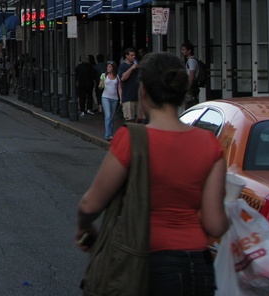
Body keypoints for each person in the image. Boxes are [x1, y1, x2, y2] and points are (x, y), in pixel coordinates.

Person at [76, 52, 228, 295]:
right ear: (181, 92)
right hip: (198, 266)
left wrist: (85, 228)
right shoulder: (210, 143)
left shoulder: (132, 139)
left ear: (143, 91)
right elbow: (215, 224)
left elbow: (90, 204)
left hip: (146, 263)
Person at [99, 61, 122, 141]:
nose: (108, 68)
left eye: (110, 67)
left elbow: (119, 88)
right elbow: (100, 85)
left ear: (113, 68)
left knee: (111, 117)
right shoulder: (104, 75)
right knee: (108, 115)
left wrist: (121, 99)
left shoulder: (117, 77)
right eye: (107, 66)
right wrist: (100, 86)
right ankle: (108, 135)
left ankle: (110, 134)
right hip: (105, 97)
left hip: (114, 98)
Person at [117, 48, 139, 123]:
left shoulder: (137, 66)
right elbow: (123, 78)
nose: (134, 57)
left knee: (140, 118)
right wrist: (131, 68)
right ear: (127, 56)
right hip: (128, 97)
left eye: (134, 55)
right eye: (131, 55)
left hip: (137, 96)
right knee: (130, 119)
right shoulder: (122, 66)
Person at [181, 41, 200, 107]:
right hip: (193, 86)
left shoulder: (191, 61)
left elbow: (191, 75)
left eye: (184, 49)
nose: (182, 51)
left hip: (192, 87)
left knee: (190, 104)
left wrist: (188, 87)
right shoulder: (190, 61)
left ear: (189, 51)